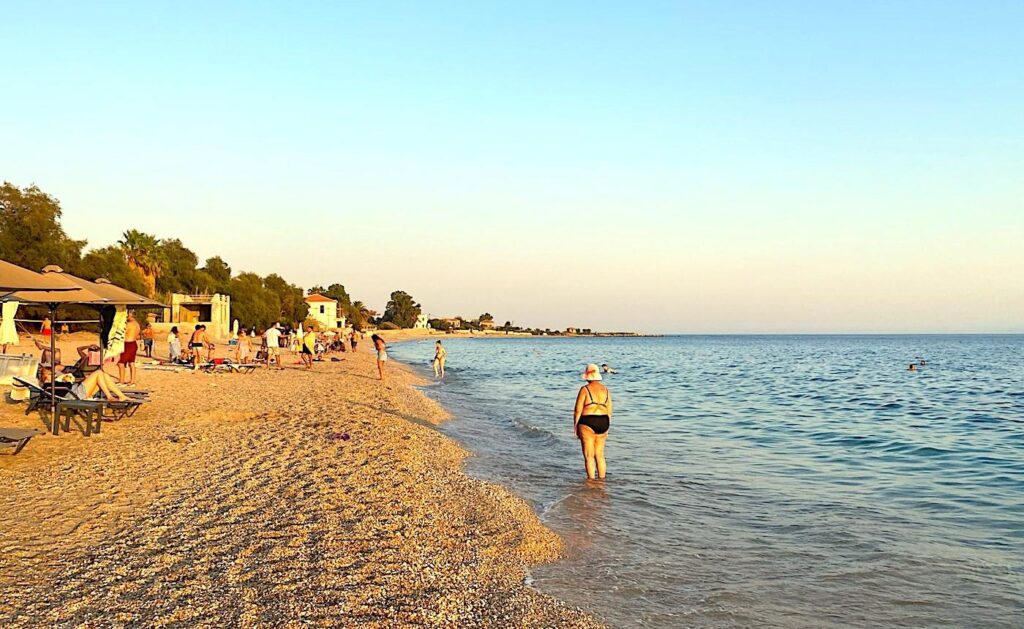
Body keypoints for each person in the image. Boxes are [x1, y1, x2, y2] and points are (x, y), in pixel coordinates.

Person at [573, 363, 613, 481]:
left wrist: (575, 426)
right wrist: (607, 428)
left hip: (588, 421)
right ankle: (602, 482)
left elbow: (577, 410)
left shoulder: (585, 389)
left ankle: (591, 483)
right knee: (600, 455)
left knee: (589, 455)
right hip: (604, 421)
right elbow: (609, 410)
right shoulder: (606, 390)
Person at [118, 312, 141, 386]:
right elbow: (137, 336)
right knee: (132, 362)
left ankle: (121, 381)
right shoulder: (137, 324)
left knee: (121, 363)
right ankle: (132, 381)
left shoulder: (129, 324)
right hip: (133, 343)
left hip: (127, 343)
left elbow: (123, 333)